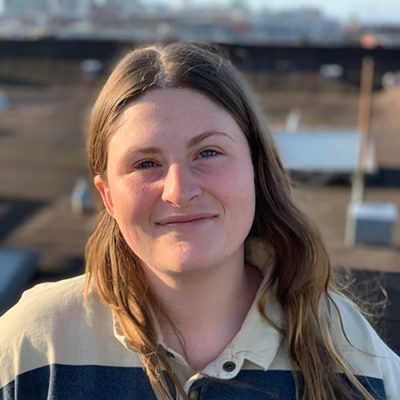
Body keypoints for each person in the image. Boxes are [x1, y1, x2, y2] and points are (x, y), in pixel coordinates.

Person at [0, 42, 399, 400]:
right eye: (146, 163)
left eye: (208, 153)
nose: (179, 191)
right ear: (107, 197)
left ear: (256, 170)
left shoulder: (352, 353)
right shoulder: (35, 345)